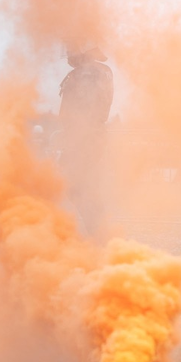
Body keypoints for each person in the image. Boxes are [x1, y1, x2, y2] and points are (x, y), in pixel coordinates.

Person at [58, 44, 114, 235]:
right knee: (84, 186)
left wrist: (73, 143)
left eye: (70, 50)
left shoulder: (86, 74)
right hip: (88, 138)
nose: (67, 55)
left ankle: (99, 234)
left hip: (83, 138)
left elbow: (82, 113)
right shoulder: (100, 72)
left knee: (81, 187)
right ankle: (98, 233)